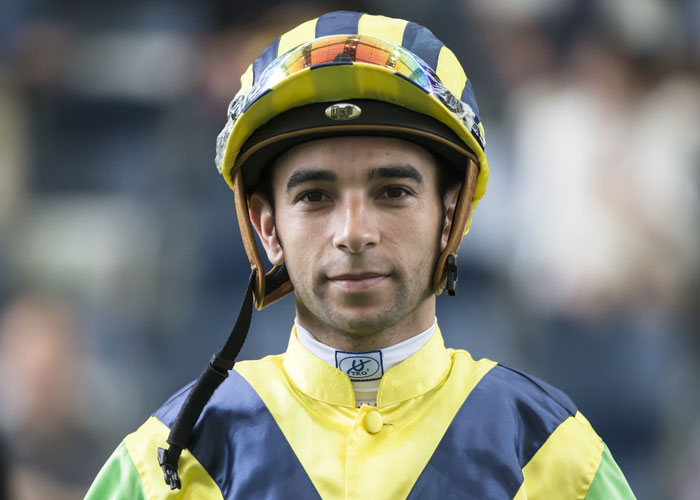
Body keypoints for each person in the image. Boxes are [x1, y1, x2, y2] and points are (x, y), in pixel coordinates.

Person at [85, 11, 636, 499]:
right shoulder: (167, 464)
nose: (353, 233)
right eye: (315, 197)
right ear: (267, 227)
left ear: (450, 217)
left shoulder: (553, 455)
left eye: (392, 192)